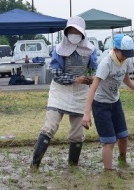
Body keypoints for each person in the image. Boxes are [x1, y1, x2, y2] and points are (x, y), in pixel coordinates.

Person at [30, 16, 97, 170]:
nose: (73, 34)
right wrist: (75, 78)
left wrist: (91, 77)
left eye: (77, 31)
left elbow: (94, 68)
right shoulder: (59, 50)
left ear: (82, 34)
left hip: (80, 93)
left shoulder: (91, 50)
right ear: (66, 33)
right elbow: (57, 74)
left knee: (77, 133)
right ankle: (34, 165)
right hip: (60, 91)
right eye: (71, 31)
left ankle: (73, 167)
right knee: (50, 127)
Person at [82, 34, 134, 171]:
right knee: (109, 141)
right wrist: (87, 113)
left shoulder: (126, 61)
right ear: (115, 50)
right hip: (101, 104)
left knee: (123, 136)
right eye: (124, 53)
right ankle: (108, 173)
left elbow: (126, 79)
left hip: (115, 102)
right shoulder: (106, 63)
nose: (126, 56)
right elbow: (93, 88)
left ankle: (123, 163)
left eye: (128, 54)